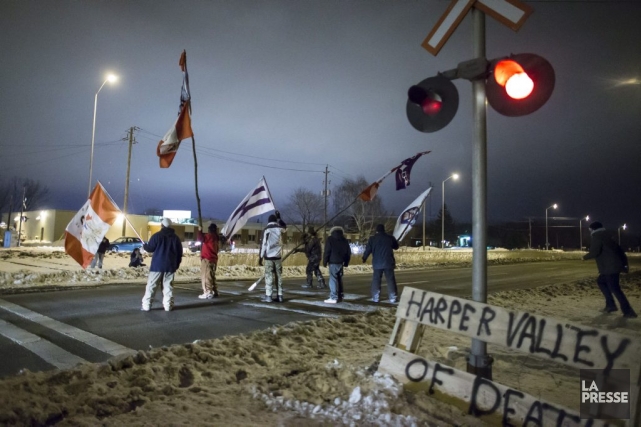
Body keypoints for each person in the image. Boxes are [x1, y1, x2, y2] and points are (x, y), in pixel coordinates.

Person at [583, 221, 637, 318]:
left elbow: (595, 251)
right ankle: (611, 305)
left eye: (590, 229)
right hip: (612, 266)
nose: (589, 231)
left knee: (615, 289)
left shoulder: (597, 236)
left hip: (609, 267)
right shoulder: (607, 235)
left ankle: (628, 311)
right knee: (601, 282)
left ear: (593, 229)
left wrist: (584, 257)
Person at [141, 218, 183, 312]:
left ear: (162, 225)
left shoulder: (157, 236)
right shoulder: (176, 238)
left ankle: (146, 305)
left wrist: (145, 246)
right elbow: (179, 253)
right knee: (168, 287)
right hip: (170, 266)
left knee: (151, 286)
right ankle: (168, 306)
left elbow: (150, 248)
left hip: (157, 266)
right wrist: (176, 265)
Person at [362, 224, 400, 303]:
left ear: (377, 230)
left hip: (377, 263)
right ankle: (393, 297)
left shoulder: (372, 239)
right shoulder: (390, 238)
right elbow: (396, 247)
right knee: (390, 280)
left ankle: (376, 297)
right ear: (384, 230)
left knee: (376, 280)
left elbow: (368, 249)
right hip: (388, 262)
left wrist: (364, 258)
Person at [259, 211, 287, 303]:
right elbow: (285, 227)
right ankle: (280, 295)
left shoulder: (266, 230)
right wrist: (279, 218)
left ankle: (268, 295)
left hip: (269, 257)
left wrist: (261, 256)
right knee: (278, 276)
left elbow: (263, 244)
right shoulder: (279, 228)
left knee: (269, 276)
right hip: (278, 256)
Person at [322, 226, 351, 304]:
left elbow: (327, 251)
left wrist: (325, 261)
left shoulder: (330, 239)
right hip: (340, 262)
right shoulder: (344, 240)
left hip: (333, 261)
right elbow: (348, 252)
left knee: (333, 279)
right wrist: (346, 262)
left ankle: (333, 297)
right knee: (339, 279)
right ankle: (340, 295)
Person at [197, 222, 225, 299]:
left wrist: (199, 231)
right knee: (212, 276)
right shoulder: (216, 237)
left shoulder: (209, 236)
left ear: (209, 230)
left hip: (207, 259)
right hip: (213, 259)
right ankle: (214, 290)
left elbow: (200, 239)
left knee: (206, 276)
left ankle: (207, 292)